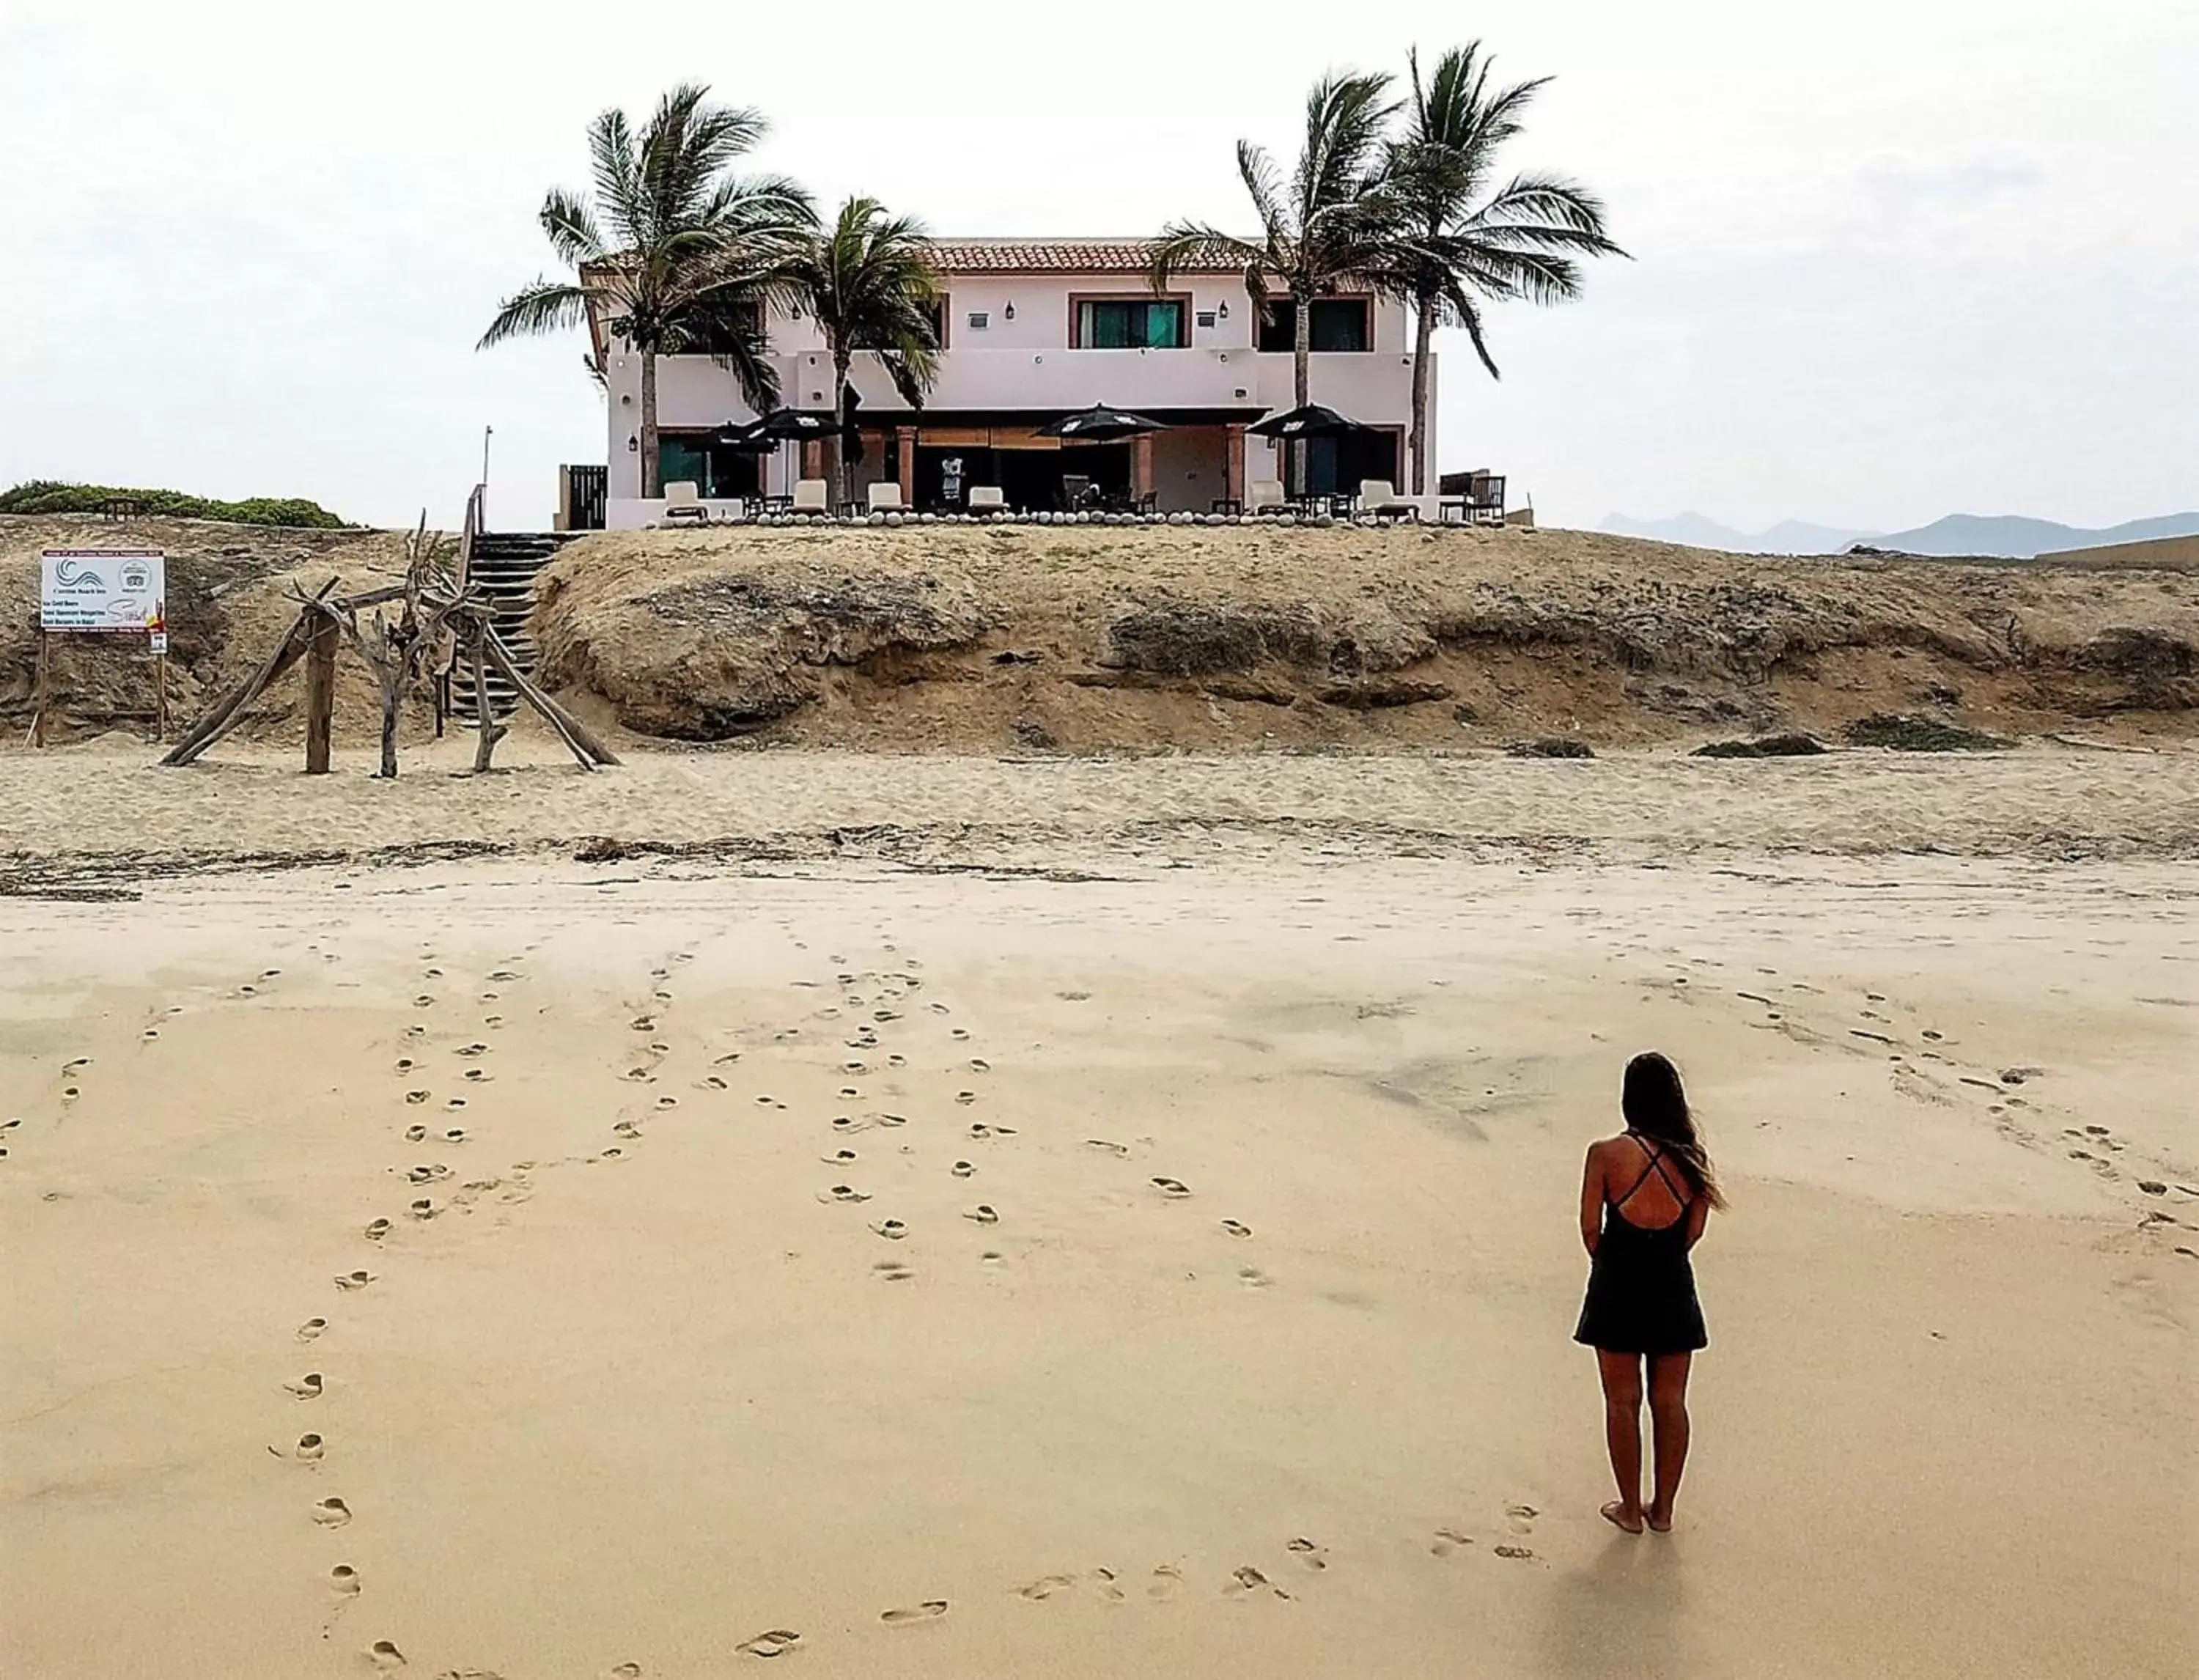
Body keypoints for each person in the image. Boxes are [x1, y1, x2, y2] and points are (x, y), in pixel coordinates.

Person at [1574, 1051, 1725, 1533]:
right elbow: (1694, 1231)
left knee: (1622, 1400)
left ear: (1628, 1099)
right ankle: (1663, 1510)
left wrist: (1615, 1266)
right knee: (1670, 1400)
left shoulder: (1604, 1154)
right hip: (1672, 1283)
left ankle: (1628, 1509)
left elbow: (1590, 1230)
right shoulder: (1691, 1160)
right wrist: (1663, 1259)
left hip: (1617, 1280)